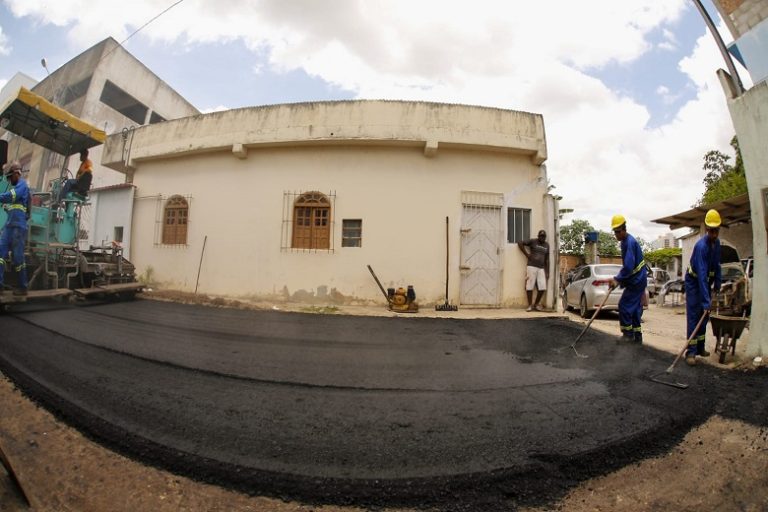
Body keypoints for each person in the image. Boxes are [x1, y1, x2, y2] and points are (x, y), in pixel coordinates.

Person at [684, 209, 722, 366]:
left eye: (716, 230)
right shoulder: (701, 247)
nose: (714, 234)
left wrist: (718, 283)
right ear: (707, 229)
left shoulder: (717, 243)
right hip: (694, 282)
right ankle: (690, 352)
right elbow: (701, 275)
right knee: (694, 315)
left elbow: (717, 265)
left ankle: (700, 348)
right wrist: (706, 300)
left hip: (705, 282)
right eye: (711, 230)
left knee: (703, 316)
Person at [609, 215, 647, 343]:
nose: (616, 235)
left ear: (624, 229)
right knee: (635, 308)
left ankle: (628, 335)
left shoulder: (629, 243)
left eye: (618, 232)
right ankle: (637, 336)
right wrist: (620, 280)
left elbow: (629, 267)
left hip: (637, 280)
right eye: (615, 232)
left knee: (624, 305)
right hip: (637, 279)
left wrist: (617, 279)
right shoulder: (625, 241)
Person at [0, 162, 30, 295]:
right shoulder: (16, 187)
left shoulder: (22, 185)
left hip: (18, 227)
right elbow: (11, 204)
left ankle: (23, 287)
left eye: (10, 177)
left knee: (18, 258)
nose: (9, 180)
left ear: (17, 174)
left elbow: (12, 196)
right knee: (0, 253)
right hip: (9, 226)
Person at [518, 229, 550, 311]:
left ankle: (536, 304)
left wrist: (547, 271)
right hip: (531, 266)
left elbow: (547, 259)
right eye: (541, 236)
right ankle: (530, 306)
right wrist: (527, 255)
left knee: (542, 288)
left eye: (544, 236)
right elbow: (520, 243)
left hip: (541, 268)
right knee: (529, 286)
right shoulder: (533, 241)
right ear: (538, 236)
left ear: (545, 237)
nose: (542, 237)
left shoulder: (547, 245)